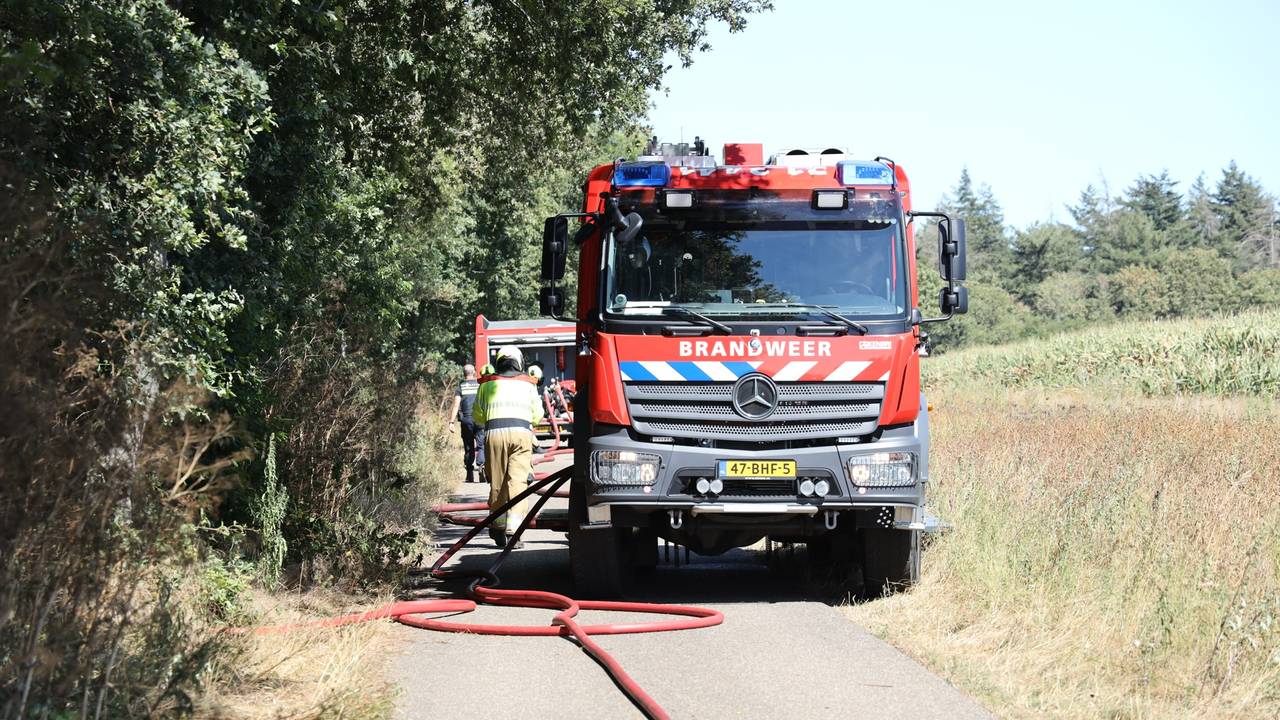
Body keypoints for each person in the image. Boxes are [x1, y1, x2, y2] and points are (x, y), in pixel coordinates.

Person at [472, 346, 544, 548]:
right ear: (520, 362)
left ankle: (497, 525)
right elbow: (537, 416)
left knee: (497, 482)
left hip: (494, 434)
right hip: (521, 435)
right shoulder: (528, 384)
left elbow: (477, 415)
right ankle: (514, 526)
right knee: (518, 481)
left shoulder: (487, 385)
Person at [447, 364, 482, 483]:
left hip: (466, 421)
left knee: (468, 448)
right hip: (480, 419)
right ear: (475, 372)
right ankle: (482, 465)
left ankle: (469, 474)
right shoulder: (480, 385)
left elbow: (456, 405)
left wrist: (451, 422)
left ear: (464, 373)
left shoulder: (460, 387)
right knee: (482, 445)